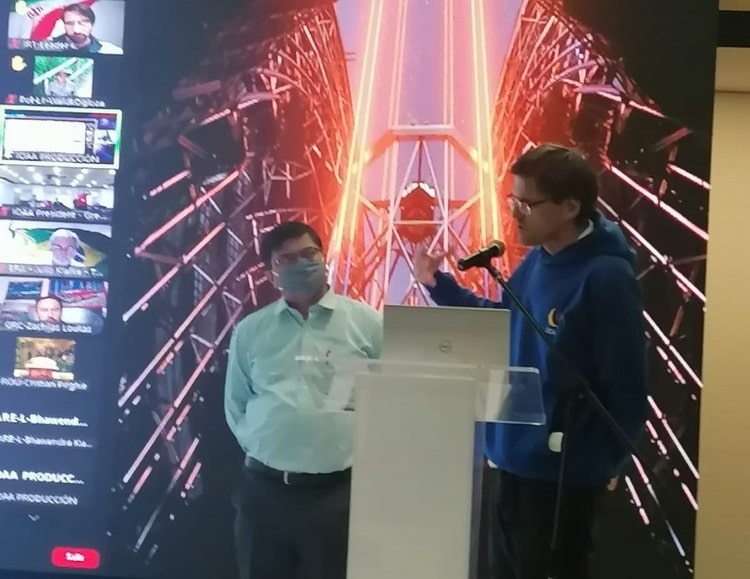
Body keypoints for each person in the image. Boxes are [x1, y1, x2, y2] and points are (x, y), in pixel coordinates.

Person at [413, 143, 648, 579]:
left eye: (527, 203)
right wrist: (439, 286)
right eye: (512, 200)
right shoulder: (538, 262)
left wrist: (603, 462)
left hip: (560, 479)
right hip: (508, 462)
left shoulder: (606, 278)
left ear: (570, 207)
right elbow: (506, 323)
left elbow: (627, 387)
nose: (515, 214)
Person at [224, 221, 382, 579]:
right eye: (287, 259)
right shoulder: (251, 330)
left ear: (324, 257)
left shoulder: (368, 325)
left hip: (336, 496)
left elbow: (389, 401)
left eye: (309, 254)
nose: (301, 264)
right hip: (263, 493)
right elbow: (236, 404)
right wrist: (264, 443)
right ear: (271, 273)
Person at [53, 4, 123, 55]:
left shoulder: (112, 51)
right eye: (70, 23)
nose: (76, 30)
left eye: (82, 23)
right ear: (64, 24)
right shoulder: (49, 48)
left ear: (92, 24)